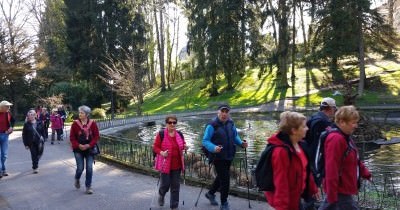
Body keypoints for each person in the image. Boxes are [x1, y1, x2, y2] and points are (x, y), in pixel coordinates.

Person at [318, 105, 371, 210]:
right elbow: (331, 167)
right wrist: (332, 194)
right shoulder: (336, 139)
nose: (356, 126)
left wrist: (365, 173)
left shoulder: (346, 137)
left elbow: (354, 159)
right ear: (342, 122)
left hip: (343, 188)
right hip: (339, 189)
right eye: (353, 123)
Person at [264, 111, 319, 210]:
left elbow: (306, 170)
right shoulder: (281, 152)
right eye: (304, 126)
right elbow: (280, 182)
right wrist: (282, 207)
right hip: (284, 203)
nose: (307, 128)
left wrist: (313, 188)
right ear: (294, 130)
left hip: (296, 199)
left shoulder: (301, 145)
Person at [202, 104, 248, 210]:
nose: (224, 114)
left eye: (226, 112)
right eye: (222, 111)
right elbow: (205, 141)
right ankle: (224, 203)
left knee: (222, 177)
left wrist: (241, 144)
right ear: (218, 112)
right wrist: (213, 148)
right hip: (217, 156)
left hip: (229, 154)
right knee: (225, 179)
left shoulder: (231, 123)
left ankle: (210, 193)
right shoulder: (212, 125)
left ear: (229, 113)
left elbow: (235, 136)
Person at [153, 115, 187, 210]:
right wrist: (162, 152)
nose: (172, 124)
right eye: (170, 122)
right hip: (165, 165)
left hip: (177, 165)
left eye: (174, 122)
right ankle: (161, 194)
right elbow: (155, 147)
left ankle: (174, 206)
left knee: (175, 186)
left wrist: (185, 147)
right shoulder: (161, 134)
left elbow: (183, 144)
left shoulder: (179, 134)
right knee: (165, 184)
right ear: (166, 123)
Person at [70, 105, 99, 194]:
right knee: (80, 168)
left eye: (82, 113)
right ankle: (77, 178)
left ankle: (88, 186)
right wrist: (78, 145)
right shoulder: (75, 124)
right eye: (79, 112)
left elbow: (96, 136)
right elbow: (72, 137)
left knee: (89, 168)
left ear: (86, 114)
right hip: (78, 149)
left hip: (89, 149)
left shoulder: (92, 123)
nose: (80, 114)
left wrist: (89, 145)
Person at [305, 97, 337, 167]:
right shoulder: (322, 122)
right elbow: (317, 143)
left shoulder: (314, 116)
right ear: (330, 108)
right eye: (334, 108)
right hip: (315, 156)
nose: (335, 110)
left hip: (309, 152)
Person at [22, 109, 45, 173]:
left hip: (39, 142)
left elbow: (43, 132)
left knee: (39, 154)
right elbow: (24, 135)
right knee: (34, 155)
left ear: (35, 115)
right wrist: (26, 144)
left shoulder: (40, 122)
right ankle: (35, 167)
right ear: (28, 116)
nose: (31, 116)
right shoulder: (26, 124)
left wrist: (44, 138)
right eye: (29, 115)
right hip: (31, 143)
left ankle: (36, 162)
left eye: (32, 115)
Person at [0, 100, 15, 177]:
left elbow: (13, 120)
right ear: (2, 107)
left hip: (5, 135)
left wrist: (11, 127)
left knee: (4, 155)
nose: (9, 108)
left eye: (9, 106)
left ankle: (3, 169)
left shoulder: (8, 113)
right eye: (7, 106)